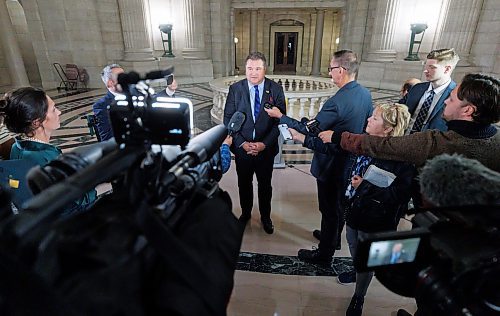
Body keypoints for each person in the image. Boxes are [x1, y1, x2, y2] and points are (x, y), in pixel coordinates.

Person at [266, 49, 373, 264]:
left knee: (329, 209)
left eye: (331, 69)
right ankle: (333, 239)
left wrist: (282, 117)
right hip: (351, 162)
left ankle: (324, 253)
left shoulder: (336, 101)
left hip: (332, 165)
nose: (330, 73)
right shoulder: (365, 94)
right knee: (340, 205)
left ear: (341, 70)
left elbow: (309, 131)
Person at [320, 73, 500, 173]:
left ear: (468, 110)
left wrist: (337, 137)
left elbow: (386, 145)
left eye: (451, 100)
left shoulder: (437, 143)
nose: (445, 101)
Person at [334, 103, 413, 316]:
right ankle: (356, 269)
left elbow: (400, 195)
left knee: (367, 258)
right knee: (352, 242)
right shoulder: (364, 142)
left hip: (377, 218)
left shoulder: (402, 157)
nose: (368, 120)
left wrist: (365, 186)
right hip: (353, 210)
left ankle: (359, 296)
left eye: (375, 118)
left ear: (387, 128)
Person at [0, 87, 96, 215]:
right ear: (36, 122)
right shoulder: (44, 157)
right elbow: (74, 199)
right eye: (53, 109)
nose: (60, 112)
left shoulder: (16, 147)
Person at [223, 51, 286, 234]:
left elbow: (279, 122)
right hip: (242, 149)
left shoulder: (275, 89)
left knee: (265, 185)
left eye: (257, 68)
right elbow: (228, 119)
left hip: (265, 150)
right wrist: (242, 143)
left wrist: (263, 144)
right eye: (250, 68)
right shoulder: (236, 89)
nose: (253, 72)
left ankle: (266, 217)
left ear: (264, 69)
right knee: (244, 183)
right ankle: (246, 213)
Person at [403, 48, 459, 134]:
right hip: (404, 138)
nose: (425, 71)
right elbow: (400, 108)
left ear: (447, 69)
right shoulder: (417, 88)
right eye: (426, 66)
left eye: (432, 67)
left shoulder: (457, 96)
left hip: (432, 143)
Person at [93, 63, 124, 141]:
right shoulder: (102, 105)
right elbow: (107, 137)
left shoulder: (135, 95)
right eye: (121, 77)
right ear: (110, 83)